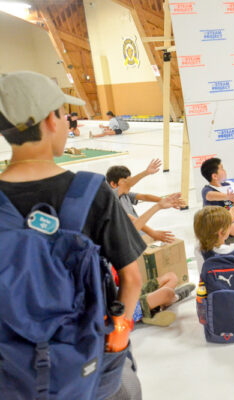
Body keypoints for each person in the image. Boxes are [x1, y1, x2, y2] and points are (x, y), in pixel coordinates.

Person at [0, 71, 144, 396]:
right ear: (51, 119)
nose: (68, 122)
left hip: (11, 368)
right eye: (65, 114)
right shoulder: (92, 192)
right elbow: (132, 278)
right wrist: (117, 337)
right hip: (85, 358)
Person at [106, 160, 184, 243]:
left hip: (139, 232)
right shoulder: (111, 198)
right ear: (113, 184)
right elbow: (130, 218)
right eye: (126, 182)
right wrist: (153, 233)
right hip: (129, 239)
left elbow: (144, 196)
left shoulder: (125, 194)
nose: (130, 185)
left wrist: (165, 201)